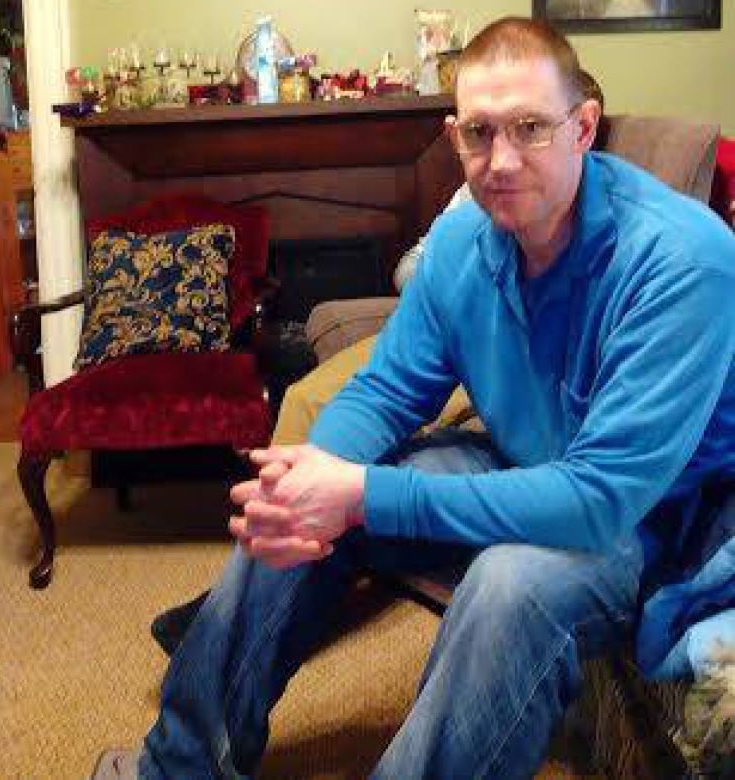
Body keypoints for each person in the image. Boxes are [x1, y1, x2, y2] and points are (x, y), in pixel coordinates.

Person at [94, 16, 734, 779]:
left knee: (511, 584)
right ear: (453, 134)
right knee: (296, 484)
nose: (500, 161)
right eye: (479, 133)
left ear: (582, 127)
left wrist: (363, 494)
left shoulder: (682, 260)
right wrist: (314, 480)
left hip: (656, 521)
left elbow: (598, 501)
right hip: (529, 466)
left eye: (530, 128)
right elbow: (387, 389)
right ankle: (179, 765)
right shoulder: (464, 244)